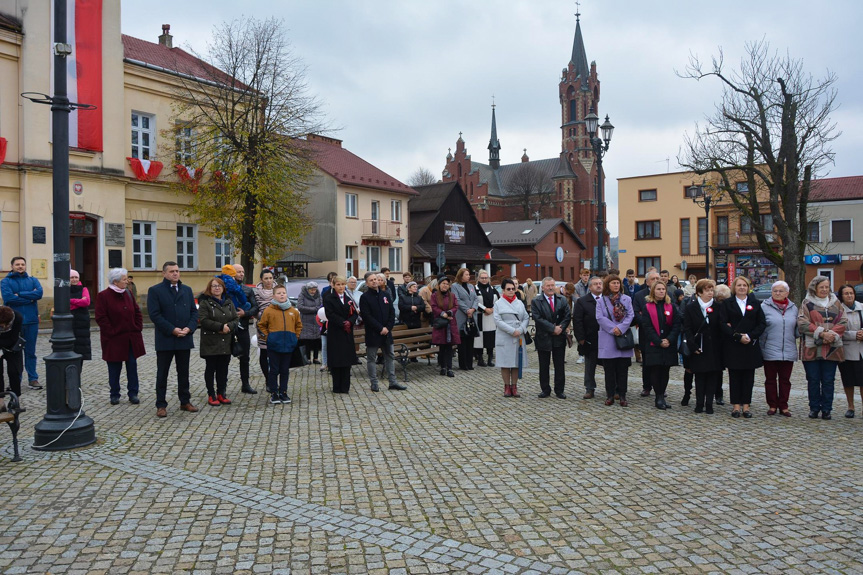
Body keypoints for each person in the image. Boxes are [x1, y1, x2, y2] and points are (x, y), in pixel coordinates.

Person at [147, 261, 199, 417]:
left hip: (184, 338)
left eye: (177, 271)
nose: (175, 273)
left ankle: (185, 401)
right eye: (171, 271)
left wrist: (189, 328)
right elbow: (155, 315)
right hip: (166, 339)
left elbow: (193, 312)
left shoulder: (187, 290)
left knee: (183, 373)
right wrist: (172, 330)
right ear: (164, 273)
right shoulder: (155, 291)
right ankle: (161, 405)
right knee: (162, 373)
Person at [797, 275, 846, 420]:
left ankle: (826, 409)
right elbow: (802, 323)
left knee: (828, 380)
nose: (824, 289)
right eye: (821, 287)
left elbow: (843, 321)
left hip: (832, 348)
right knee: (813, 379)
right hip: (811, 348)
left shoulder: (836, 303)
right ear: (815, 288)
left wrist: (831, 334)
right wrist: (822, 333)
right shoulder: (807, 303)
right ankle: (814, 408)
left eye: (827, 287)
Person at [95, 268, 145, 405]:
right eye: (124, 279)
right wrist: (112, 332)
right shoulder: (103, 295)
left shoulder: (128, 293)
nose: (127, 281)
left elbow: (137, 312)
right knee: (114, 368)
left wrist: (137, 327)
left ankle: (133, 393)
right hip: (113, 340)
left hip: (130, 338)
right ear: (115, 282)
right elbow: (101, 317)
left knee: (132, 366)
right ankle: (114, 394)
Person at [719, 276, 766, 418]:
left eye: (744, 285)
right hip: (733, 345)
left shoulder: (755, 303)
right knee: (734, 377)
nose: (742, 288)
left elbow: (762, 324)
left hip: (750, 344)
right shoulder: (727, 303)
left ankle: (746, 406)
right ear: (734, 287)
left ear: (748, 287)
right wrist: (737, 336)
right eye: (739, 285)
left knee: (748, 377)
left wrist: (750, 336)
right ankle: (736, 406)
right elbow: (722, 323)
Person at [1, 256, 43, 390]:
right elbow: (8, 298)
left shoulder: (33, 280)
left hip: (31, 321)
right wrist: (29, 298)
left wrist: (19, 294)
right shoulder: (5, 281)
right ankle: (16, 380)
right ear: (12, 266)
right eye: (17, 264)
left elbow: (39, 294)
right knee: (15, 353)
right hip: (14, 324)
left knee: (31, 352)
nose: (20, 266)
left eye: (22, 264)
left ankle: (33, 378)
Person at [683, 279, 723, 414]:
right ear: (699, 292)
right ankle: (699, 403)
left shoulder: (718, 307)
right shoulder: (691, 308)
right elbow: (687, 328)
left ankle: (709, 404)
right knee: (699, 377)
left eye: (712, 290)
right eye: (707, 290)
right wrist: (692, 345)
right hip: (698, 346)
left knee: (712, 376)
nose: (710, 293)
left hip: (714, 347)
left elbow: (721, 327)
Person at [198, 277, 239, 407]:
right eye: (214, 286)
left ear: (223, 288)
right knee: (211, 368)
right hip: (211, 341)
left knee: (223, 369)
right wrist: (220, 327)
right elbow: (204, 320)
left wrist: (229, 327)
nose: (217, 288)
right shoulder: (205, 303)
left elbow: (236, 319)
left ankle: (222, 393)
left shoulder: (228, 302)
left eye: (219, 286)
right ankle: (211, 394)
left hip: (226, 340)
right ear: (209, 289)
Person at [257, 284, 302, 404]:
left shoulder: (293, 311)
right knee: (274, 369)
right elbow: (261, 325)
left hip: (288, 345)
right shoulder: (269, 310)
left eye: (283, 293)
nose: (281, 295)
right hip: (273, 345)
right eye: (279, 293)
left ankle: (283, 392)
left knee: (284, 370)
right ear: (274, 296)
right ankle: (274, 392)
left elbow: (298, 325)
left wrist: (295, 337)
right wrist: (268, 337)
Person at [360, 274, 405, 391]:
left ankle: (392, 382)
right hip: (373, 333)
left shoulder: (385, 295)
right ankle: (374, 383)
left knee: (390, 356)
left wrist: (388, 327)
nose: (374, 282)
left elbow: (392, 312)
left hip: (386, 333)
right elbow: (367, 316)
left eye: (375, 279)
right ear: (367, 283)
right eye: (371, 280)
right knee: (371, 358)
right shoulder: (365, 297)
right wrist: (380, 328)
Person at [641, 281, 681, 410]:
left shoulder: (672, 306)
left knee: (665, 370)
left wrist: (669, 340)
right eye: (658, 289)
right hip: (654, 344)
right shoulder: (647, 307)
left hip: (669, 344)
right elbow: (647, 327)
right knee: (656, 370)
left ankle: (662, 395)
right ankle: (658, 396)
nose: (661, 291)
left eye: (663, 289)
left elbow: (676, 325)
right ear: (653, 291)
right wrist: (659, 341)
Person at [760, 281, 798, 417]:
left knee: (785, 380)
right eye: (775, 291)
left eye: (781, 291)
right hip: (769, 348)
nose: (777, 293)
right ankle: (772, 405)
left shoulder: (793, 308)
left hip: (788, 348)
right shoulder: (764, 307)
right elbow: (760, 328)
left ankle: (783, 405)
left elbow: (797, 329)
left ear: (787, 293)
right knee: (770, 379)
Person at [596, 275, 634, 406]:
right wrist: (614, 329)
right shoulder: (601, 301)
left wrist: (621, 328)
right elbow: (600, 317)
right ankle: (610, 395)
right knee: (609, 371)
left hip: (622, 338)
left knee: (623, 370)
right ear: (608, 285)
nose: (616, 285)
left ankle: (622, 395)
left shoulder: (626, 299)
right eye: (613, 283)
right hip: (608, 338)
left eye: (618, 283)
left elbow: (630, 315)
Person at [532, 277, 572, 399]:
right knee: (544, 365)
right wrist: (552, 328)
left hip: (559, 336)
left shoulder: (562, 299)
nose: (550, 288)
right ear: (543, 287)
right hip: (543, 336)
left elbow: (567, 315)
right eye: (548, 286)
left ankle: (559, 390)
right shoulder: (536, 301)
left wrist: (561, 327)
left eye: (552, 285)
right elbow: (537, 318)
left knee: (559, 365)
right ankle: (545, 389)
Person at [493, 277, 529, 397]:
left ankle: (514, 386)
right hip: (505, 336)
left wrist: (521, 329)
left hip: (518, 335)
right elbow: (498, 321)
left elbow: (526, 318)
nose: (511, 291)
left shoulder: (519, 303)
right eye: (508, 289)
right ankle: (506, 386)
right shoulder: (498, 304)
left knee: (515, 363)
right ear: (503, 290)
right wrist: (512, 330)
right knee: (505, 363)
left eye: (513, 289)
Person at [324, 276, 359, 393]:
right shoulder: (329, 298)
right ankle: (337, 386)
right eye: (338, 284)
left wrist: (350, 322)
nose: (341, 287)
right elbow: (330, 313)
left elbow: (355, 313)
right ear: (334, 285)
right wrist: (342, 322)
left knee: (346, 359)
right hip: (336, 331)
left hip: (347, 332)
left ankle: (345, 386)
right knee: (336, 359)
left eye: (343, 284)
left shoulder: (349, 298)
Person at [573, 276, 602, 399]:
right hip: (590, 338)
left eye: (600, 283)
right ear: (590, 287)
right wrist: (581, 338)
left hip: (606, 339)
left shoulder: (607, 300)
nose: (599, 285)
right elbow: (577, 321)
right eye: (595, 284)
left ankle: (612, 388)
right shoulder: (582, 301)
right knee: (590, 365)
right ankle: (590, 388)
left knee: (610, 365)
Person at [231, 264, 259, 394]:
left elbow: (255, 307)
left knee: (245, 357)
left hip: (243, 327)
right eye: (238, 272)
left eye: (242, 272)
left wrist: (245, 313)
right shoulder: (224, 289)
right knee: (223, 358)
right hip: (227, 328)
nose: (241, 274)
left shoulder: (247, 290)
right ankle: (222, 388)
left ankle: (245, 384)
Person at [838, 284, 863, 418]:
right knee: (848, 380)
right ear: (841, 296)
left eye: (851, 293)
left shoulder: (862, 307)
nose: (849, 296)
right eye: (846, 293)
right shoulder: (839, 311)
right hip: (846, 350)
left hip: (861, 350)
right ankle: (850, 406)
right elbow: (838, 330)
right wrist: (854, 335)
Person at [633, 270, 660, 394]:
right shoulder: (639, 295)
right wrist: (647, 323)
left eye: (657, 278)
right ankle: (647, 386)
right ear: (647, 281)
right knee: (647, 362)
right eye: (653, 279)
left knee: (661, 363)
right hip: (646, 333)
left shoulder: (665, 294)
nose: (655, 281)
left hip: (661, 333)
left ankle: (660, 387)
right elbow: (636, 313)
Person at [431, 275, 460, 378]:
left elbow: (456, 306)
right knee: (442, 346)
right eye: (443, 283)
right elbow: (434, 306)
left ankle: (449, 368)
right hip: (441, 323)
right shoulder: (435, 295)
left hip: (450, 323)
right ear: (439, 285)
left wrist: (449, 313)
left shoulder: (452, 295)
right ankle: (443, 366)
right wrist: (442, 313)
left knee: (449, 346)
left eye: (447, 284)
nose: (445, 285)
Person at [452, 268, 478, 371]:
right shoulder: (455, 286)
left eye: (469, 274)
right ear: (461, 275)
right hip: (462, 316)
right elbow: (457, 300)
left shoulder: (471, 286)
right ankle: (463, 364)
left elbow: (475, 298)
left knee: (470, 340)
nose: (468, 276)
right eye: (466, 274)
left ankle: (469, 363)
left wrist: (473, 309)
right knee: (462, 341)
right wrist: (467, 310)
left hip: (472, 316)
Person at [712, 283, 732, 405]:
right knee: (717, 371)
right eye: (720, 299)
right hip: (716, 340)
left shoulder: (729, 305)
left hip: (727, 340)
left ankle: (719, 394)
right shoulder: (714, 306)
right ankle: (717, 394)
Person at [254, 269, 276, 379]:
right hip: (262, 325)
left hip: (277, 325)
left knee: (275, 353)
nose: (268, 281)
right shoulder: (256, 292)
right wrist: (261, 316)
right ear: (261, 280)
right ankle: (267, 378)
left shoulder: (278, 290)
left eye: (270, 278)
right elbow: (254, 308)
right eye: (266, 278)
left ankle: (274, 377)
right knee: (264, 351)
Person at [0, 306, 24, 405]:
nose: (4, 327)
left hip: (13, 346)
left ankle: (15, 398)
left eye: (5, 325)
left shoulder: (18, 317)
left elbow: (13, 338)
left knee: (14, 371)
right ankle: (1, 401)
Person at [473, 270, 498, 366]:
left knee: (490, 337)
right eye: (482, 278)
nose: (484, 280)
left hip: (491, 317)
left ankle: (490, 358)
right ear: (478, 279)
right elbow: (475, 301)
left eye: (486, 278)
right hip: (480, 316)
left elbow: (498, 301)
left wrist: (492, 309)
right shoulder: (475, 289)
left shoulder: (493, 289)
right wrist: (484, 309)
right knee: (479, 339)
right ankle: (480, 358)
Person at [69, 269, 92, 364]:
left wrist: (71, 301)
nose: (74, 279)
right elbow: (64, 303)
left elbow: (86, 302)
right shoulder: (64, 290)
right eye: (72, 277)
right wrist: (79, 301)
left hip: (82, 324)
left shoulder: (84, 289)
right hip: (70, 323)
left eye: (76, 277)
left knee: (80, 352)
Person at [296, 282, 323, 364]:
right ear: (307, 290)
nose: (313, 291)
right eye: (311, 290)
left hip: (316, 321)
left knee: (316, 340)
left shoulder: (318, 295)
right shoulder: (302, 295)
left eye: (314, 289)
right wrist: (314, 309)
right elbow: (300, 307)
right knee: (307, 340)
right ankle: (307, 358)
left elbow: (321, 305)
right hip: (306, 321)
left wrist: (316, 309)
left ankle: (316, 358)